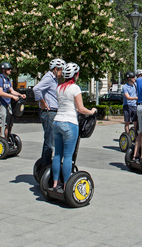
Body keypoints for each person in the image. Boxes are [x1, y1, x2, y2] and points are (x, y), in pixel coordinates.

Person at [51, 62, 96, 193]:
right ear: (75, 75)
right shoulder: (75, 88)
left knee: (57, 154)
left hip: (57, 122)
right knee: (68, 156)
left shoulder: (59, 87)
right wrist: (92, 111)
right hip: (70, 123)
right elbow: (80, 108)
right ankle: (66, 185)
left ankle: (54, 184)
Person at [33, 58, 65, 163]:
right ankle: (45, 164)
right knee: (50, 141)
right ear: (55, 69)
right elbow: (36, 89)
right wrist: (42, 102)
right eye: (61, 70)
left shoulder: (53, 79)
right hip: (48, 113)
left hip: (52, 112)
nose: (62, 73)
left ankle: (46, 162)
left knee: (51, 139)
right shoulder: (49, 78)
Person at [0, 62, 25, 138]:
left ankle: (6, 140)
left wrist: (20, 95)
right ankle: (0, 140)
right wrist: (12, 97)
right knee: (0, 123)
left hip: (7, 103)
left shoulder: (7, 79)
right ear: (3, 70)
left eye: (10, 69)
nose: (10, 70)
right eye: (8, 69)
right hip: (0, 104)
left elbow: (12, 91)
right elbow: (0, 93)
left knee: (8, 123)